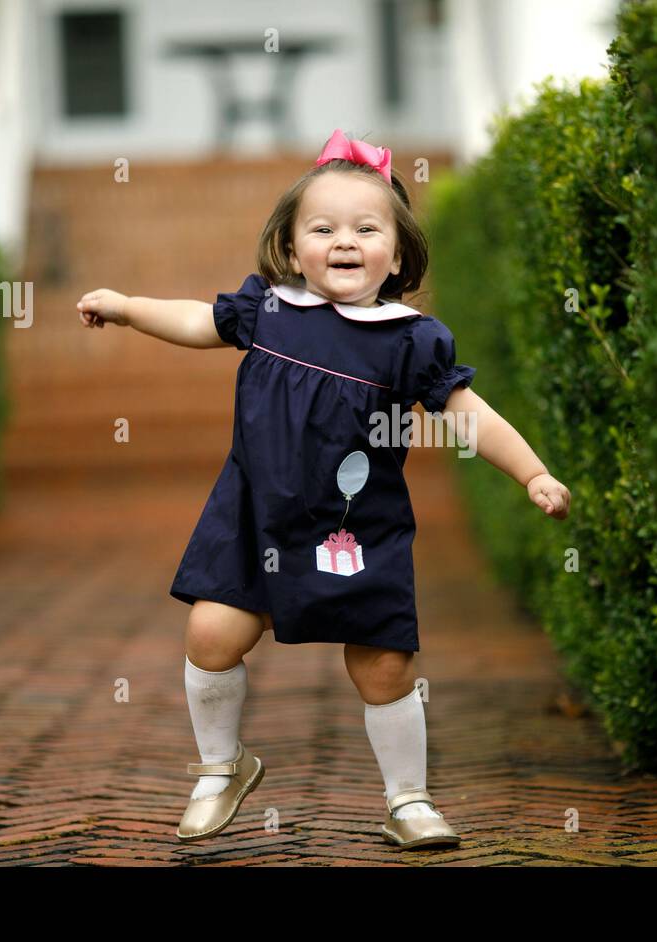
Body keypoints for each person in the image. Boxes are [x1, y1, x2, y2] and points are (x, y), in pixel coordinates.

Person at [76, 129, 571, 850]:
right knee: (211, 634)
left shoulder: (409, 339)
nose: (345, 241)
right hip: (254, 514)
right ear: (290, 246)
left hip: (356, 525)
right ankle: (221, 765)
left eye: (367, 229)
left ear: (397, 255)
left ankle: (407, 799)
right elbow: (193, 318)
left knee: (385, 665)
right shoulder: (269, 312)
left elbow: (468, 414)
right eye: (324, 228)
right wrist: (126, 305)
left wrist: (532, 471)